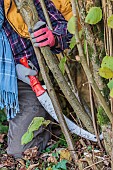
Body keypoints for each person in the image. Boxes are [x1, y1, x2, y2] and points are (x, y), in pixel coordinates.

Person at [0, 0, 72, 158]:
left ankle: (47, 121)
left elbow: (64, 27)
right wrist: (10, 70)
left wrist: (53, 38)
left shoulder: (24, 2)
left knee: (20, 151)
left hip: (24, 84)